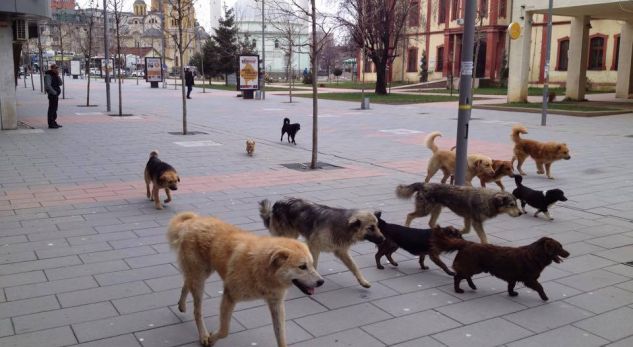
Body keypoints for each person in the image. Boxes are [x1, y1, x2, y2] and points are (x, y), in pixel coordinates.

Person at [44, 64, 63, 129]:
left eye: (57, 68)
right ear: (52, 68)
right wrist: (54, 93)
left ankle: (54, 122)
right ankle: (51, 124)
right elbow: (48, 86)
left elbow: (60, 83)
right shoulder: (48, 75)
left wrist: (57, 76)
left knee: (55, 109)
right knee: (52, 109)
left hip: (55, 95)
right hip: (52, 95)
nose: (56, 69)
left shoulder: (55, 75)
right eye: (55, 68)